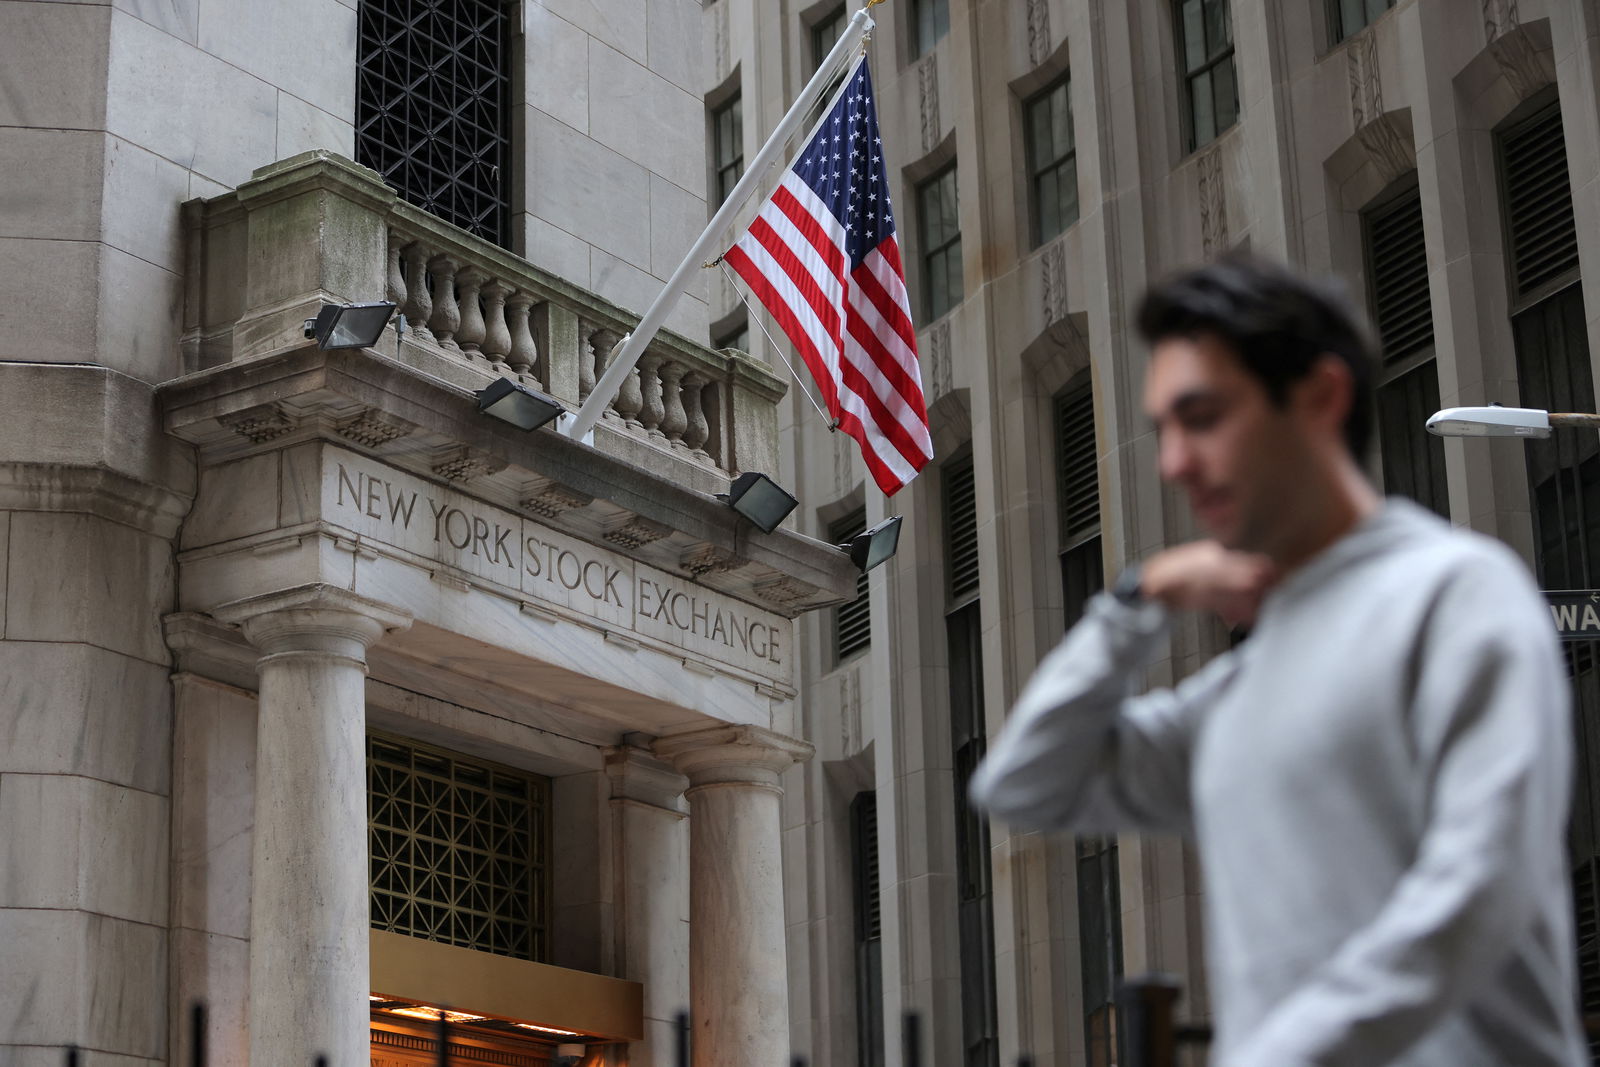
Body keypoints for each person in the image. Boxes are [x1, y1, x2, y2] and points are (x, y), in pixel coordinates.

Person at [969, 254, 1588, 1066]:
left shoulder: (1458, 595)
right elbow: (1020, 783)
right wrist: (1137, 601)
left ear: (1321, 396)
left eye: (1202, 416)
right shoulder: (1234, 692)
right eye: (1164, 429)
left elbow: (1479, 891)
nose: (1173, 461)